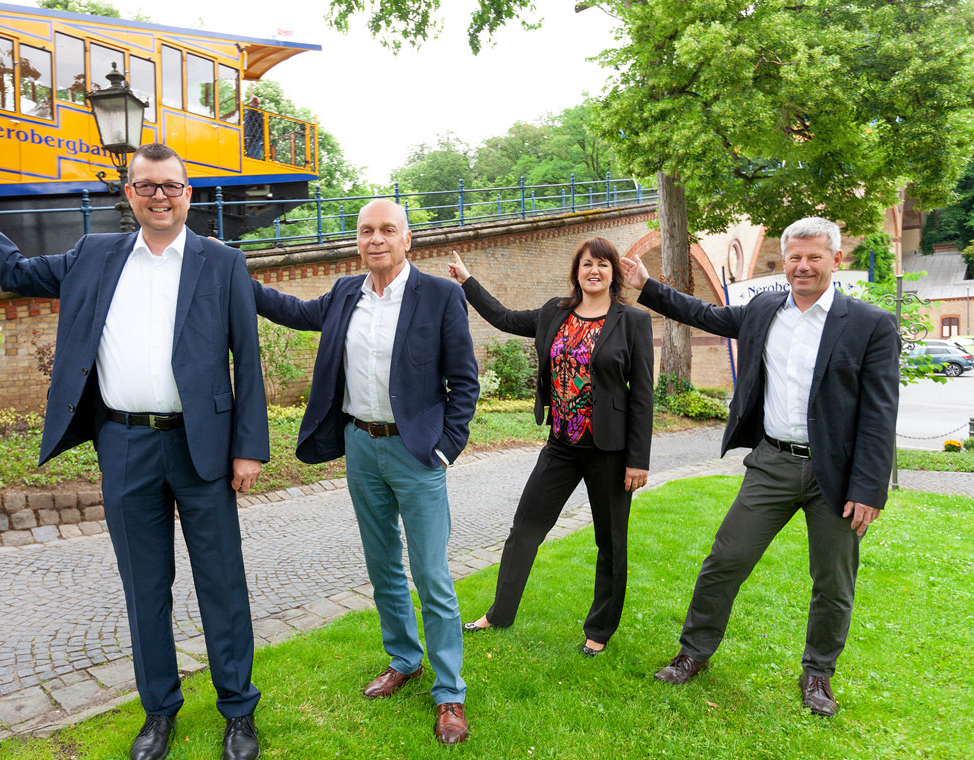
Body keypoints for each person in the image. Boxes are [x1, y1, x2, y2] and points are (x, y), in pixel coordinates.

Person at [0, 145, 268, 760]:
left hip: (205, 450)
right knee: (145, 588)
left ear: (188, 193)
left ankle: (239, 712)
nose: (159, 195)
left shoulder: (222, 263)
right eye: (146, 185)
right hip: (126, 444)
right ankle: (159, 712)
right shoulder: (92, 256)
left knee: (222, 583)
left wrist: (248, 450)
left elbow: (248, 356)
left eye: (171, 185)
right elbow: (14, 272)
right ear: (129, 191)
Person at [619, 217, 900, 716]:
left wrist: (870, 487)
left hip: (836, 475)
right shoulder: (765, 309)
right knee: (725, 561)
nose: (803, 266)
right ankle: (693, 654)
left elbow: (880, 412)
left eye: (814, 257)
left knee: (834, 581)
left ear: (835, 260)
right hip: (771, 462)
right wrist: (647, 286)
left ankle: (818, 674)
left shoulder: (870, 324)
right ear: (783, 260)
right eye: (794, 257)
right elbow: (704, 313)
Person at [251, 199, 479, 745]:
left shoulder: (441, 296)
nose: (375, 239)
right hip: (361, 446)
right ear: (358, 241)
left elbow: (463, 382)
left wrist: (445, 449)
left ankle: (450, 693)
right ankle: (405, 659)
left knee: (431, 574)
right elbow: (289, 310)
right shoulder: (344, 294)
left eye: (387, 230)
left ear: (407, 239)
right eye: (365, 231)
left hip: (417, 453)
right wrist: (233, 268)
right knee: (382, 567)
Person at [447, 240, 654, 656]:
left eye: (601, 264)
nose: (593, 270)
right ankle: (500, 612)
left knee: (611, 542)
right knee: (524, 530)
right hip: (561, 444)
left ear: (613, 272)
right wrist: (468, 282)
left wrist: (638, 460)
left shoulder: (632, 320)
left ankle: (599, 631)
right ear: (576, 270)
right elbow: (504, 318)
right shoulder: (554, 313)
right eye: (586, 263)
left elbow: (643, 394)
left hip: (609, 450)